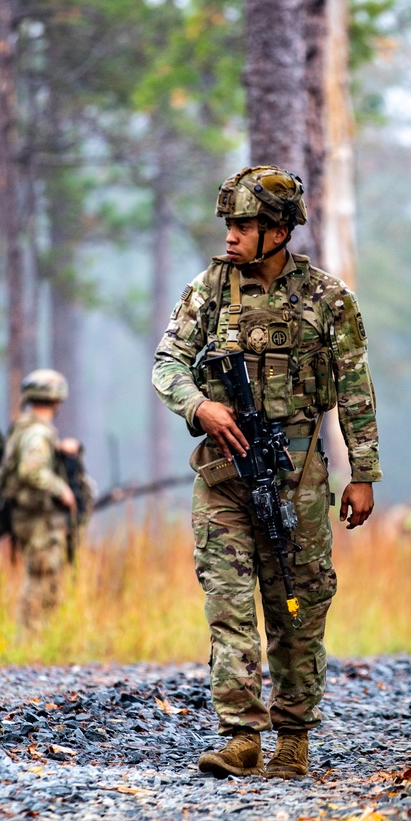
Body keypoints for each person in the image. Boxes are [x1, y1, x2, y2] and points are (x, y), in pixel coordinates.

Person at [152, 166, 380, 780]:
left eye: (245, 225)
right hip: (224, 474)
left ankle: (294, 738)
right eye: (229, 224)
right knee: (228, 603)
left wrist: (363, 474)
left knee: (297, 605)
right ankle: (240, 736)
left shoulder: (329, 300)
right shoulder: (211, 289)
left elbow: (356, 387)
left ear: (278, 231)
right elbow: (167, 362)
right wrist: (199, 405)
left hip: (299, 476)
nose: (231, 236)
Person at [0, 369, 80, 633]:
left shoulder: (26, 428)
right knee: (41, 577)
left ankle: (36, 638)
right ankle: (31, 638)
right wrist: (61, 490)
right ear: (56, 400)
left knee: (42, 575)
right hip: (37, 519)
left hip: (28, 516)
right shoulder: (37, 433)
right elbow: (31, 469)